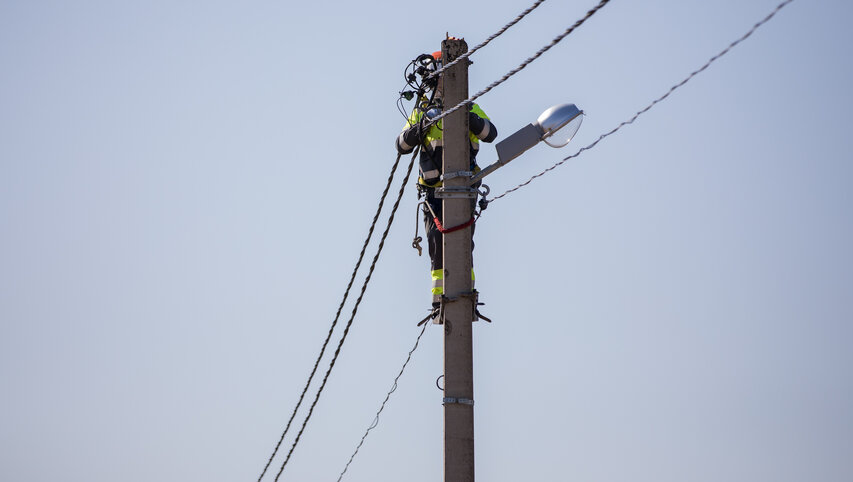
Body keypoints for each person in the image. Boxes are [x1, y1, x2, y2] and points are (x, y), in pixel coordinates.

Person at [395, 51, 498, 308]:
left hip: (462, 191)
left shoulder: (470, 107)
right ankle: (441, 301)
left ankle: (465, 297)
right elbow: (401, 144)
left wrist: (466, 117)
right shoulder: (422, 111)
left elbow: (490, 133)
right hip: (433, 195)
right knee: (436, 247)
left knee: (462, 246)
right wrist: (422, 126)